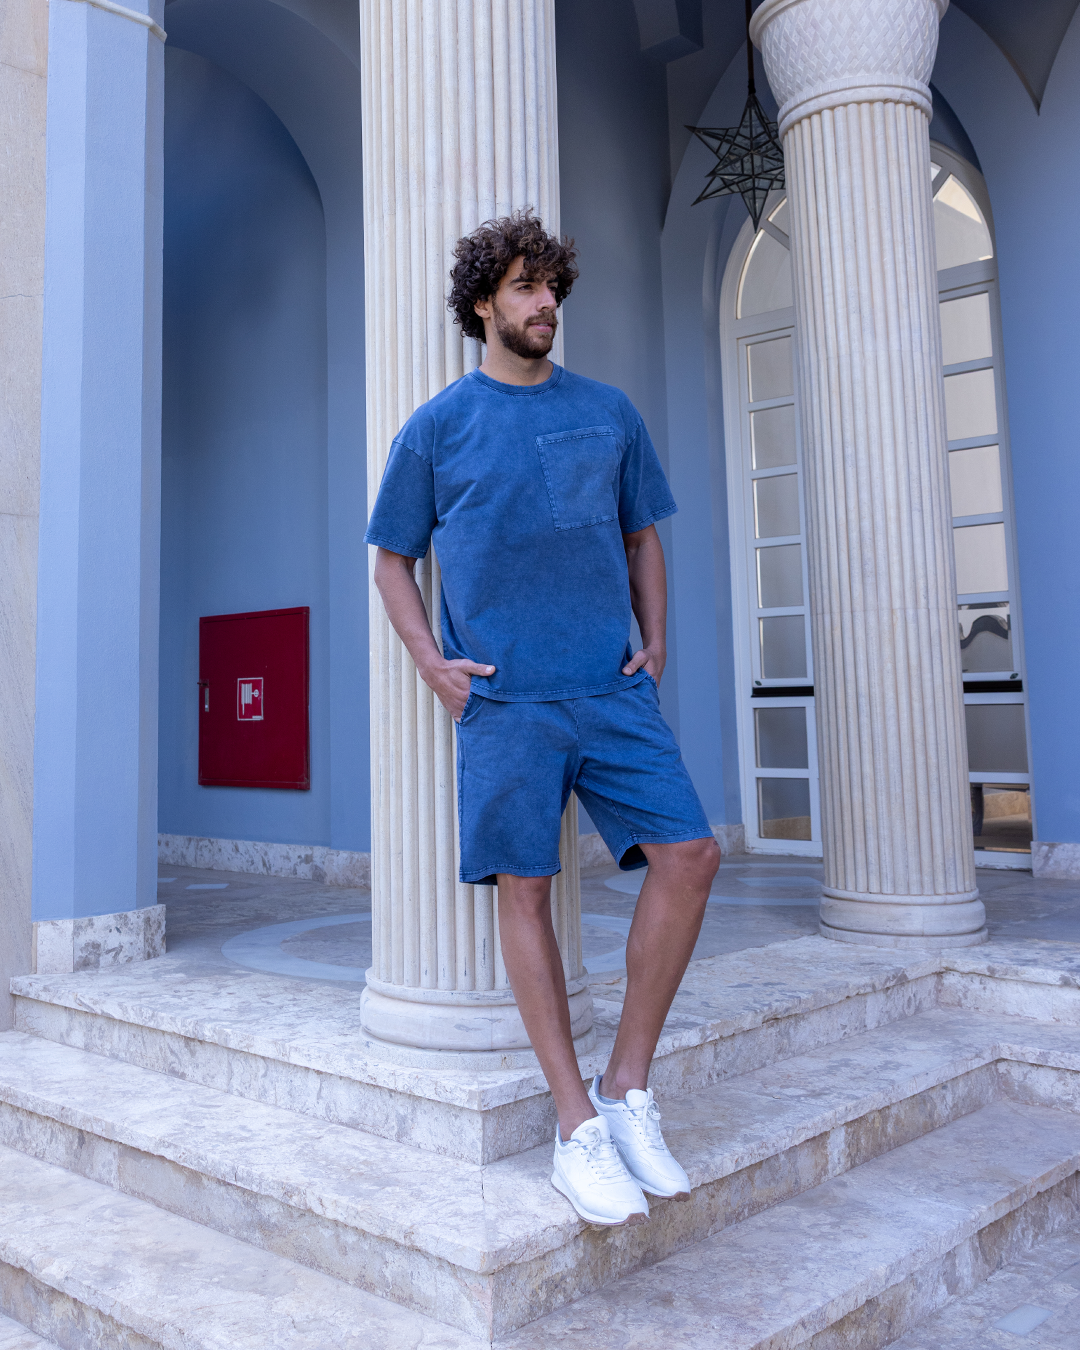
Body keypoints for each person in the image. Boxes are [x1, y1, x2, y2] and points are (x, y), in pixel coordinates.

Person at [365, 211, 720, 1227]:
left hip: (609, 689)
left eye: (552, 286)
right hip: (504, 700)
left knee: (691, 856)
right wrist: (433, 664)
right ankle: (575, 1126)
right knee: (525, 892)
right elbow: (391, 559)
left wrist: (656, 641)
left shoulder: (608, 411)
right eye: (525, 286)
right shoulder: (437, 427)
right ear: (483, 303)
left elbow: (643, 535)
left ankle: (626, 1086)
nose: (545, 302)